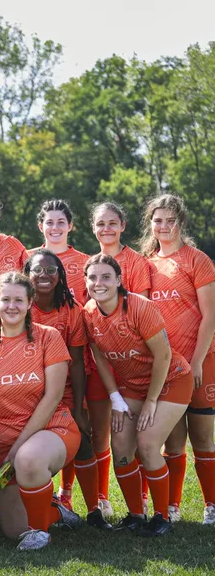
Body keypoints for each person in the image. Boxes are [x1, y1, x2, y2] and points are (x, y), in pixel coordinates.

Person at [0, 272, 83, 550]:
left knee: (28, 459)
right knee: (12, 529)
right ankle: (54, 511)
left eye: (19, 299)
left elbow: (53, 397)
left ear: (30, 303)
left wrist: (17, 448)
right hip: (3, 442)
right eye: (5, 299)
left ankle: (40, 533)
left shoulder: (48, 338)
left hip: (52, 428)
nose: (12, 306)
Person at [83, 253, 193, 536]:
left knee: (146, 443)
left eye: (106, 277)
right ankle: (135, 514)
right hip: (132, 386)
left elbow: (164, 354)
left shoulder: (139, 306)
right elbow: (100, 358)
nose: (99, 283)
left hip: (171, 380)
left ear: (119, 280)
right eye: (93, 277)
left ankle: (162, 516)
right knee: (120, 446)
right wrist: (116, 398)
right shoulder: (88, 312)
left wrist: (152, 402)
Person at [140, 195, 215, 524]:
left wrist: (198, 360)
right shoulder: (146, 264)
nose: (164, 226)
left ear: (181, 222)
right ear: (151, 224)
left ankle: (211, 505)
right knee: (171, 441)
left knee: (202, 437)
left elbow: (210, 317)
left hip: (201, 361)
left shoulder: (197, 260)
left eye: (170, 220)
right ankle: (171, 507)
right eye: (158, 220)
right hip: (166, 367)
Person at [24, 250, 106, 528]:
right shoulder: (19, 306)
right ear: (27, 275)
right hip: (25, 390)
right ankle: (30, 504)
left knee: (83, 440)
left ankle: (94, 510)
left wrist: (79, 408)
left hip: (65, 390)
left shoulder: (72, 311)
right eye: (37, 270)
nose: (44, 276)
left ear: (60, 276)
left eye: (51, 270)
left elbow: (78, 365)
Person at [87, 201, 153, 517]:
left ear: (123, 225)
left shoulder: (137, 263)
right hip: (102, 363)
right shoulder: (92, 263)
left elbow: (141, 310)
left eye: (112, 222)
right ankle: (100, 499)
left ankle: (143, 502)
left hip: (135, 361)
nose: (107, 229)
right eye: (101, 223)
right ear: (93, 228)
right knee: (102, 432)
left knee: (140, 436)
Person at [37, 199, 89, 304]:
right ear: (41, 227)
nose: (55, 227)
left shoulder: (86, 262)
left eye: (61, 222)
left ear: (70, 226)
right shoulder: (27, 257)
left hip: (74, 320)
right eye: (49, 222)